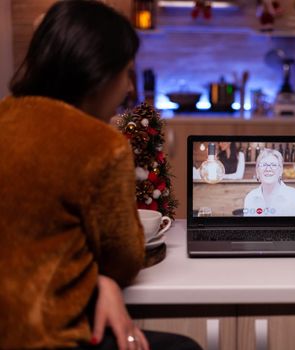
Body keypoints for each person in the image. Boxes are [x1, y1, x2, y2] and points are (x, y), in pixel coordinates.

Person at [0, 1, 201, 349]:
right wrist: (106, 280)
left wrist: (97, 282)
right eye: (125, 73)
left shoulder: (5, 117)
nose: (127, 88)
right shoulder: (100, 146)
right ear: (97, 76)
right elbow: (123, 260)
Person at [244, 148, 295, 216]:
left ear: (280, 171)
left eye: (274, 165)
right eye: (264, 165)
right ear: (257, 171)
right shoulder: (250, 198)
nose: (268, 169)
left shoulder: (294, 197)